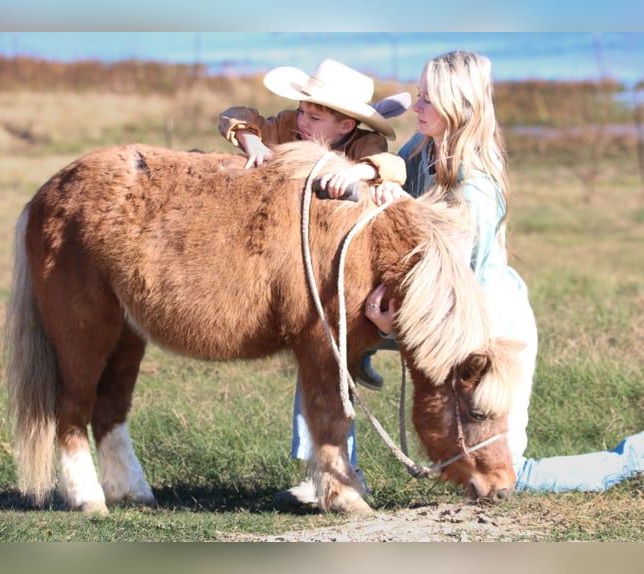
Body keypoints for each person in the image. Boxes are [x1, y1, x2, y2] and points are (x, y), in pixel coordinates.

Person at [354, 49, 643, 495]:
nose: (417, 107)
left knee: (516, 475)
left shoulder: (475, 189)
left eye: (428, 99)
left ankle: (636, 457)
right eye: (418, 95)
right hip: (451, 321)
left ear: (457, 107)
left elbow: (469, 293)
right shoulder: (419, 151)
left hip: (490, 330)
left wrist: (396, 329)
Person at [218, 58, 410, 508]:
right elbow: (237, 115)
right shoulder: (289, 126)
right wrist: (251, 142)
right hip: (292, 250)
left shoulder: (366, 142)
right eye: (302, 110)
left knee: (335, 346)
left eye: (315, 116)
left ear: (346, 125)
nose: (302, 122)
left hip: (340, 264)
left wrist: (362, 172)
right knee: (320, 350)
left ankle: (354, 380)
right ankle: (321, 463)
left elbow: (391, 165)